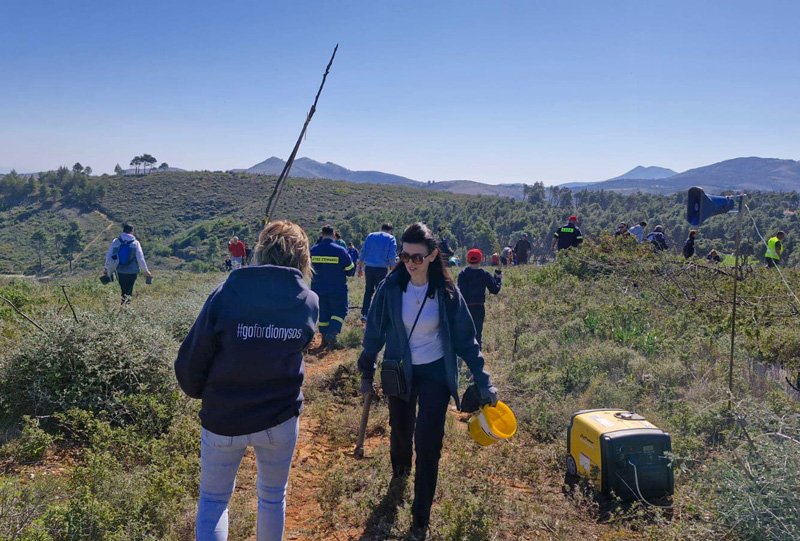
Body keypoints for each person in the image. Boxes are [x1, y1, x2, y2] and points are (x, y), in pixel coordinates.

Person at [174, 220, 318, 541]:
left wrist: (202, 394)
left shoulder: (225, 295)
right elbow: (303, 344)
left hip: (224, 416)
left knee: (214, 500)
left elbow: (191, 360)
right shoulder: (309, 302)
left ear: (259, 251)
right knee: (271, 496)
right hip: (279, 417)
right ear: (302, 259)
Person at [357, 223, 497, 541]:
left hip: (434, 374)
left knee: (429, 443)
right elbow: (374, 332)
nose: (409, 262)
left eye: (417, 257)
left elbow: (466, 340)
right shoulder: (391, 288)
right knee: (401, 429)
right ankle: (400, 472)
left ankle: (420, 518)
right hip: (399, 371)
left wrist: (483, 380)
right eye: (404, 255)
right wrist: (366, 370)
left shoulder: (447, 293)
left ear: (433, 255)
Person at [311, 225, 355, 349]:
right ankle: (332, 333)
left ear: (321, 234)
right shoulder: (340, 250)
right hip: (337, 288)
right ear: (334, 235)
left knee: (324, 314)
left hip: (318, 289)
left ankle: (324, 339)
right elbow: (350, 270)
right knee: (340, 311)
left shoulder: (313, 250)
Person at [457, 249, 502, 346]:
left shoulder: (462, 274)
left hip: (464, 308)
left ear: (468, 260)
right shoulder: (484, 274)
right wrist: (498, 278)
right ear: (480, 259)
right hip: (478, 308)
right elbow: (495, 290)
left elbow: (459, 292)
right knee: (477, 335)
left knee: (464, 334)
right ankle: (477, 356)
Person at [357, 223, 397, 322]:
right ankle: (379, 315)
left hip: (369, 268)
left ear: (381, 228)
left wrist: (360, 267)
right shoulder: (391, 238)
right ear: (390, 230)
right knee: (381, 292)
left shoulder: (371, 235)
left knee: (368, 291)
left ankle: (364, 314)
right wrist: (393, 269)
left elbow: (363, 251)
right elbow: (391, 256)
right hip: (381, 269)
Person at [103, 223, 152, 304]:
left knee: (123, 289)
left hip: (119, 271)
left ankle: (124, 305)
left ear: (123, 231)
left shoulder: (116, 241)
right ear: (132, 231)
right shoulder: (135, 243)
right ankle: (127, 307)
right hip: (132, 271)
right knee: (129, 289)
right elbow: (141, 258)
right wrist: (146, 271)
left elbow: (109, 256)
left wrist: (106, 268)